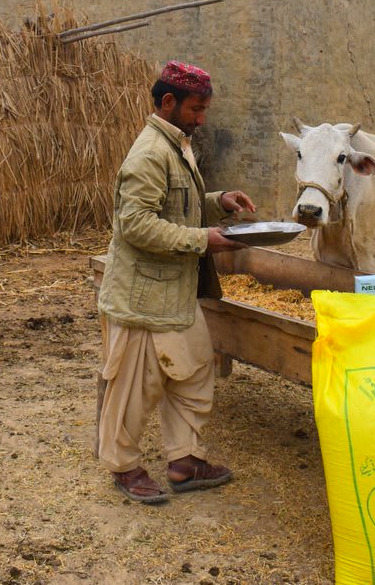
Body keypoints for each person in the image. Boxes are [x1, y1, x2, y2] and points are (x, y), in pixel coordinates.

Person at [96, 60, 256, 504]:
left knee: (196, 369)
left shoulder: (177, 145)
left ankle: (185, 461)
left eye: (204, 109)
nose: (202, 118)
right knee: (135, 385)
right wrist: (203, 239)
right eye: (196, 109)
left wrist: (217, 202)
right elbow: (136, 226)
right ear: (168, 102)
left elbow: (177, 207)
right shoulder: (149, 154)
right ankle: (123, 466)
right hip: (142, 297)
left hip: (176, 294)